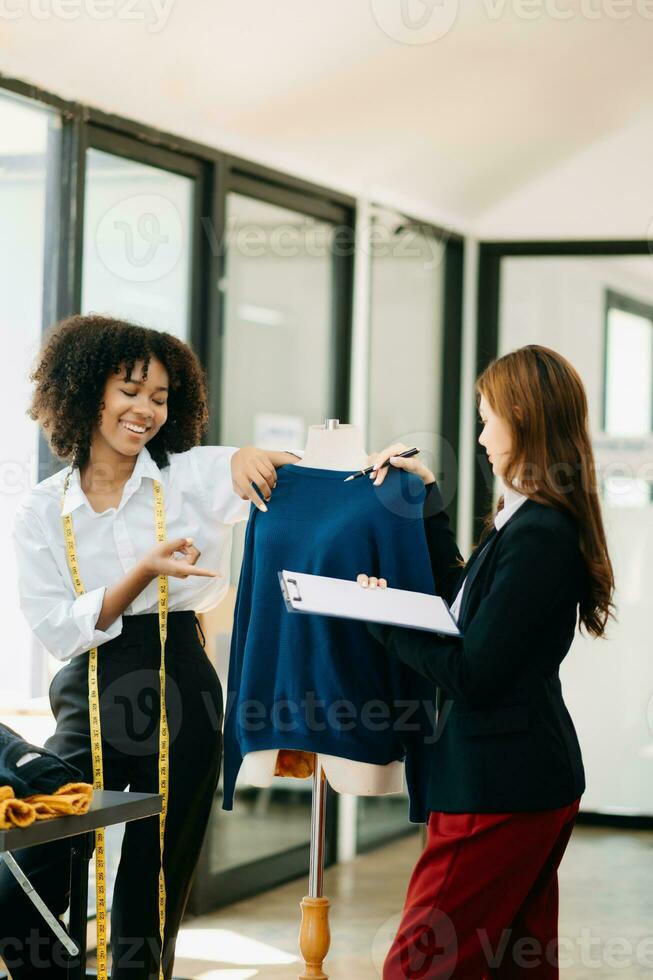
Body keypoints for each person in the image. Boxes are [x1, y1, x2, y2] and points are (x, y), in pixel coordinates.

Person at [0, 313, 299, 979]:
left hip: (182, 682)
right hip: (89, 688)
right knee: (38, 850)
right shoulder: (42, 510)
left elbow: (285, 477)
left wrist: (260, 454)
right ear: (85, 392)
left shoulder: (190, 475)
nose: (145, 410)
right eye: (129, 390)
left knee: (157, 874)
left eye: (160, 397)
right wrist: (141, 572)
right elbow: (55, 627)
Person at [357, 344, 615, 979]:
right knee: (513, 966)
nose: (479, 436)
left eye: (486, 418)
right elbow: (463, 603)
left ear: (521, 418)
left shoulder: (539, 535)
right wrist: (428, 503)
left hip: (500, 782)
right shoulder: (525, 523)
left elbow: (473, 671)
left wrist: (385, 620)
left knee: (418, 967)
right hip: (522, 778)